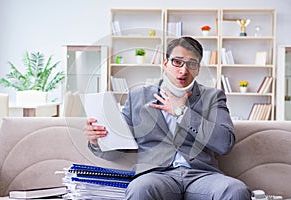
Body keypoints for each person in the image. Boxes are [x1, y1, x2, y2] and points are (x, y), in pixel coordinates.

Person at [84, 36, 252, 200]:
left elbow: (225, 144)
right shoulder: (137, 97)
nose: (183, 70)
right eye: (177, 62)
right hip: (156, 175)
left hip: (202, 176)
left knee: (236, 190)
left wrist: (182, 112)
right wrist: (97, 141)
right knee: (139, 189)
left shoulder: (212, 96)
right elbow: (118, 150)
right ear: (165, 63)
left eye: (191, 64)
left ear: (198, 69)